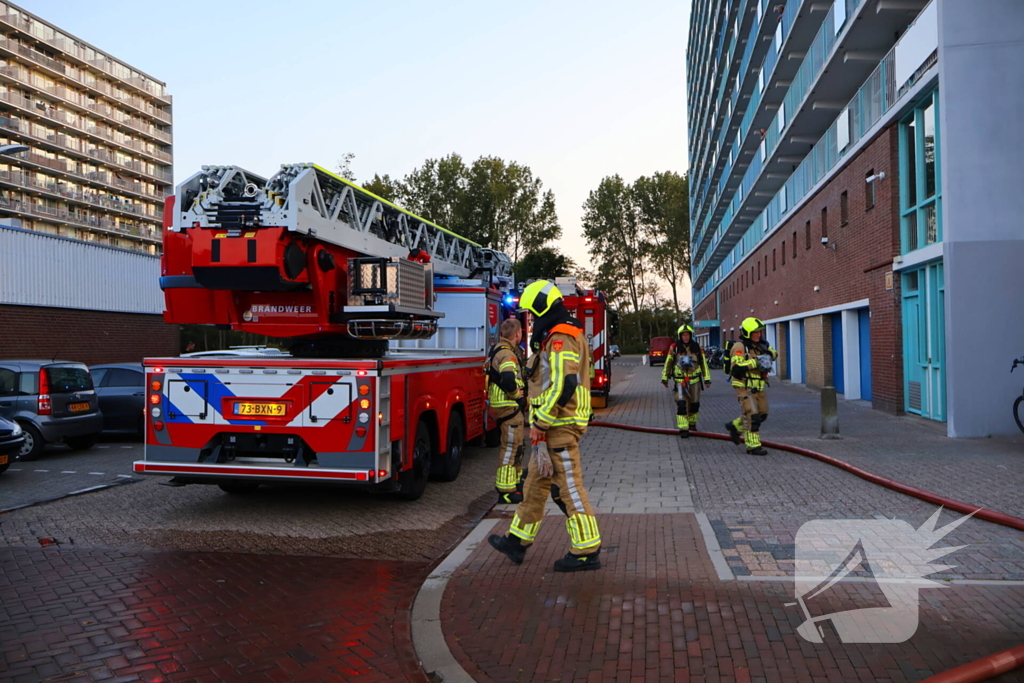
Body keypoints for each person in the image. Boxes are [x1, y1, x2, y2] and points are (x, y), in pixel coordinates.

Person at [489, 280, 602, 572]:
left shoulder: (561, 336)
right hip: (551, 427)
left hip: (558, 426)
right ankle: (517, 542)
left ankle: (587, 550)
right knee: (534, 486)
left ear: (542, 306)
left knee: (569, 488)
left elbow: (564, 383)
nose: (531, 319)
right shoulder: (555, 334)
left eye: (532, 312)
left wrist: (541, 422)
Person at [487, 317, 528, 504]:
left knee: (517, 446)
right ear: (517, 334)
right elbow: (509, 378)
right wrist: (516, 395)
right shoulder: (507, 355)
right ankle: (505, 490)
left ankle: (516, 483)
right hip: (508, 407)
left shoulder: (500, 350)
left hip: (505, 407)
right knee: (511, 447)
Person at [725, 317, 778, 456]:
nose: (759, 335)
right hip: (744, 386)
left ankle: (735, 426)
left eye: (760, 332)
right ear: (748, 333)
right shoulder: (739, 347)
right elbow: (736, 368)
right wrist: (755, 362)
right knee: (753, 416)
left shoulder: (762, 345)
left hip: (759, 386)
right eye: (755, 332)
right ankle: (753, 446)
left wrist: (769, 354)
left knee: (762, 414)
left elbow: (774, 353)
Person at [661, 324, 711, 438]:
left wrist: (707, 379)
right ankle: (683, 428)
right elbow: (668, 363)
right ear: (680, 336)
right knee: (681, 405)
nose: (685, 337)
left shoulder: (697, 347)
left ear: (690, 335)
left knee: (694, 405)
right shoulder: (674, 348)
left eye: (687, 334)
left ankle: (692, 425)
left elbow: (703, 363)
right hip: (680, 382)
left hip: (695, 382)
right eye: (683, 335)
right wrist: (665, 377)